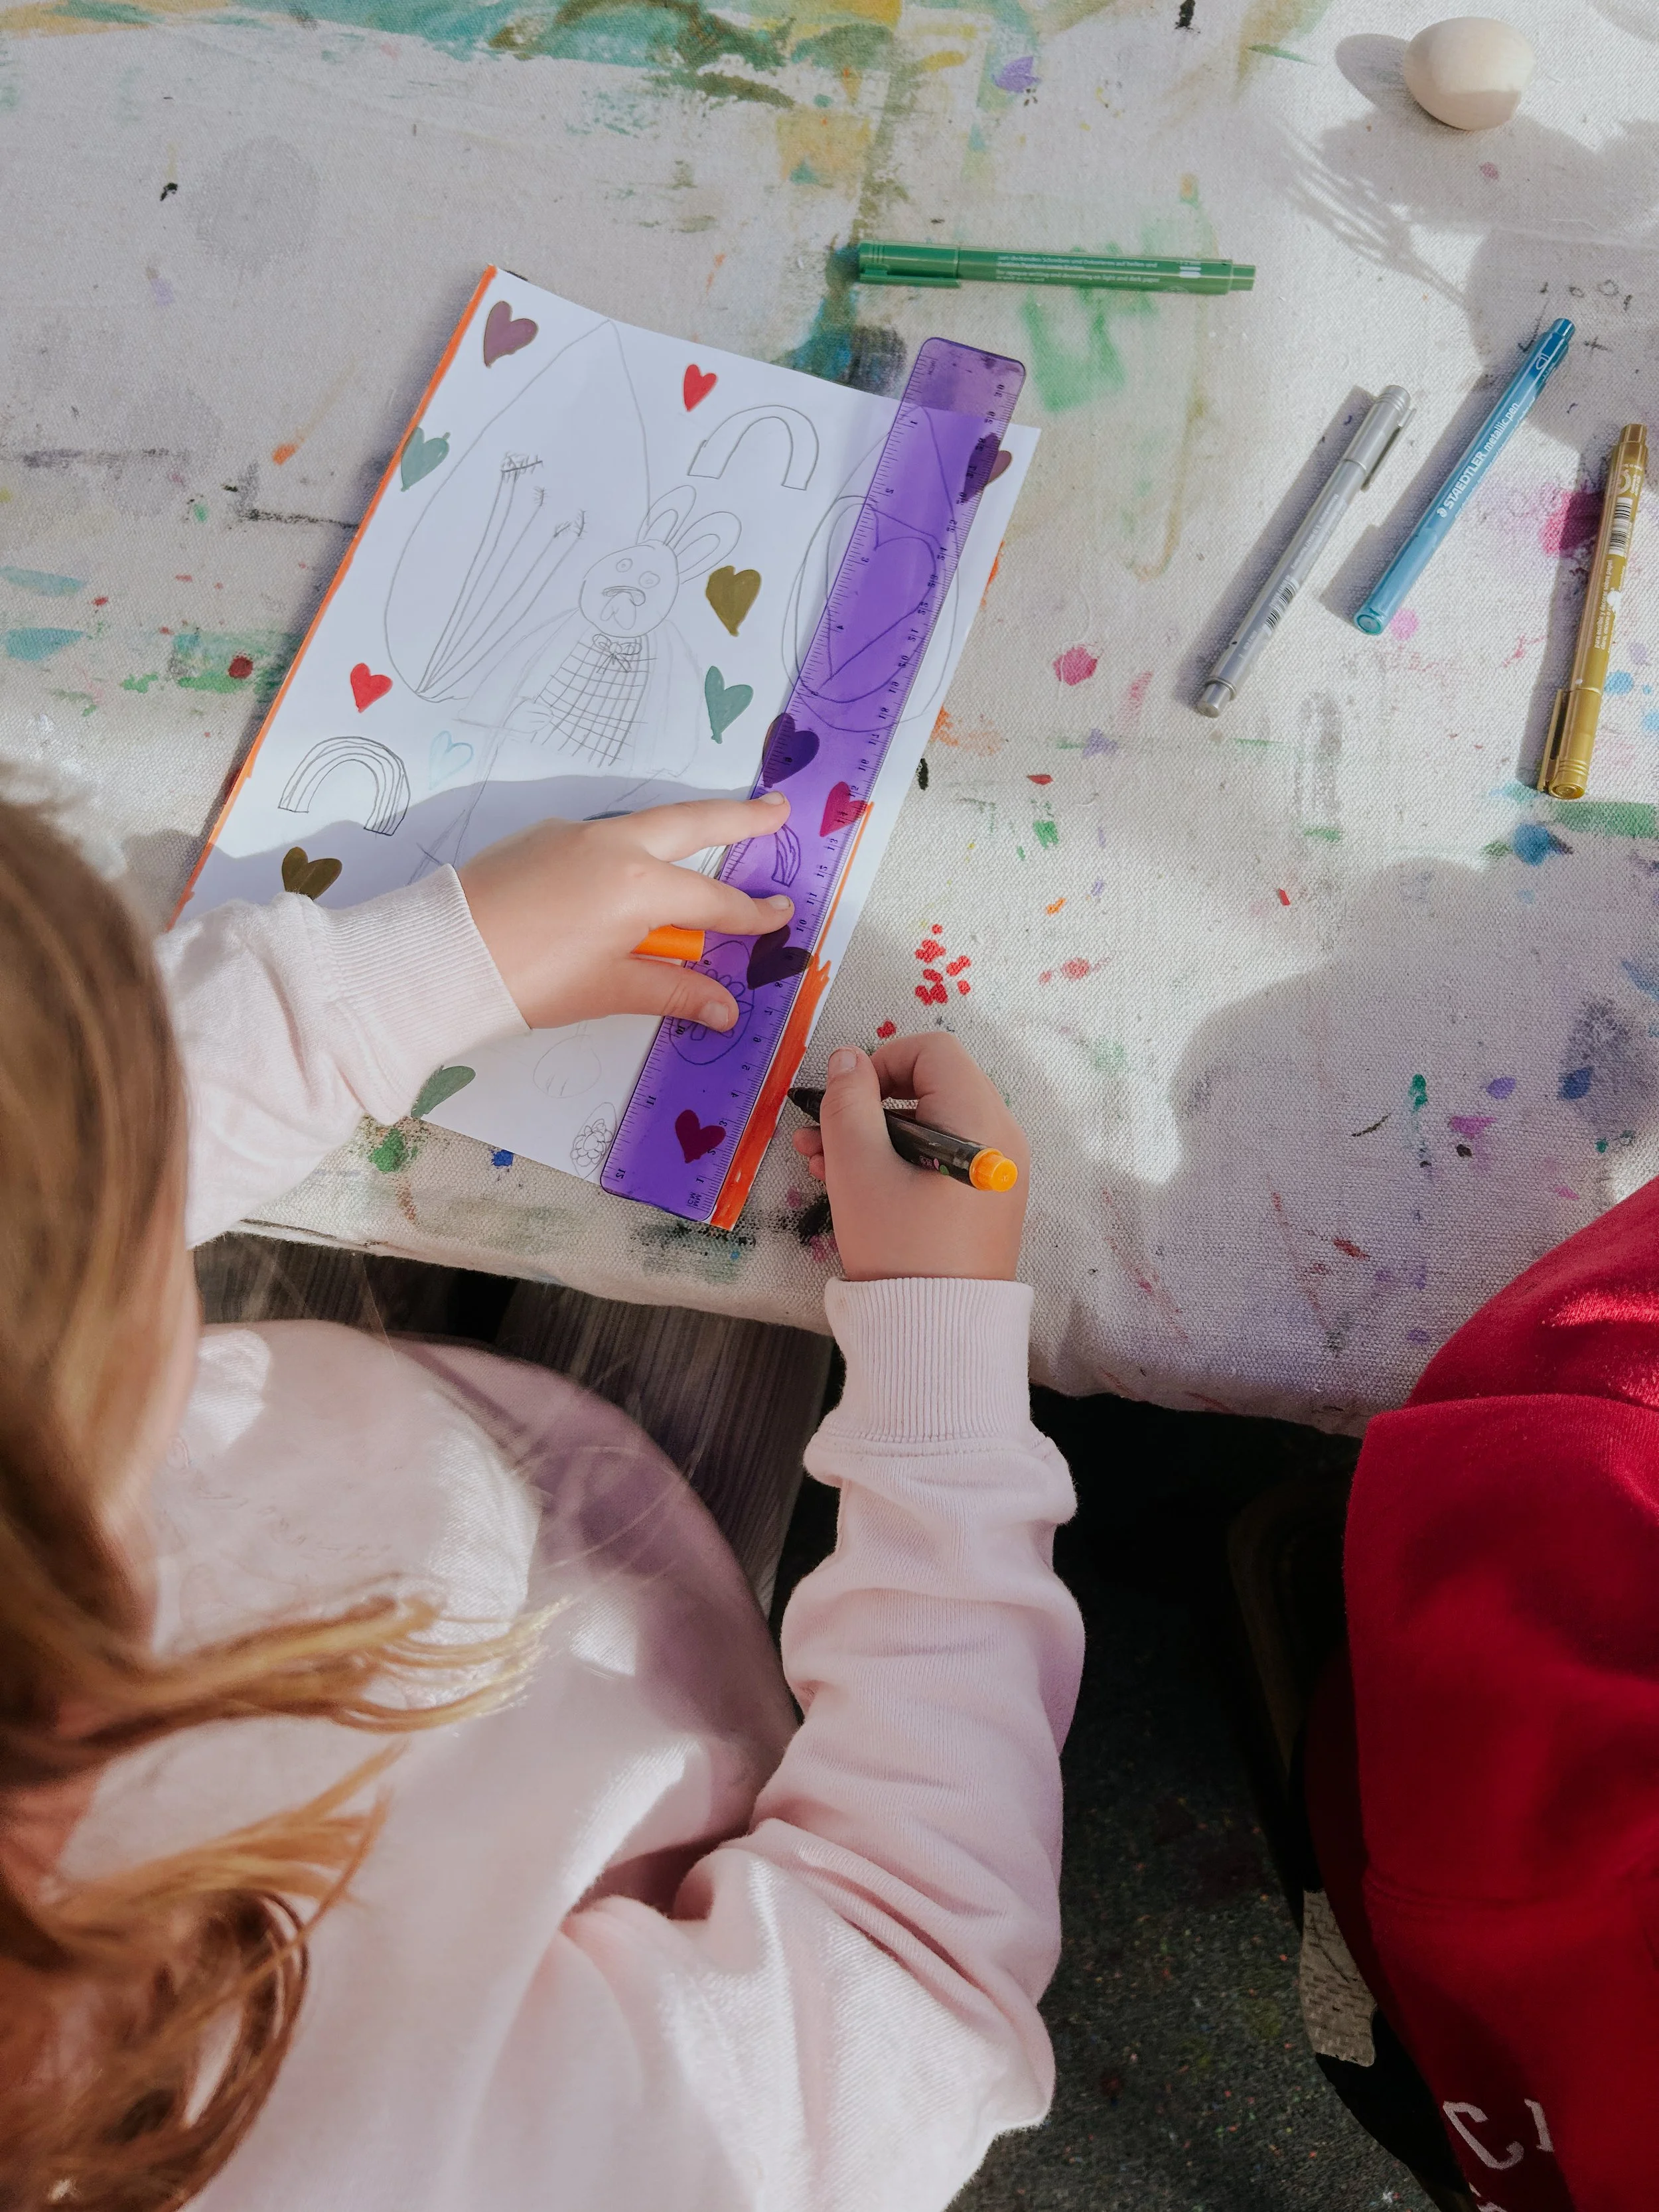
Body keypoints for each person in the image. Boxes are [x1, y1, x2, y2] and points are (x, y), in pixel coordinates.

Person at [0, 787, 1084, 2211]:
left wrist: (413, 970)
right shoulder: (398, 2155)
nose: (141, 1161)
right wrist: (939, 1371)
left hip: (430, 1470)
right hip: (652, 1685)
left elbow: (71, 1159)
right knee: (714, 1237)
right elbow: (906, 1972)